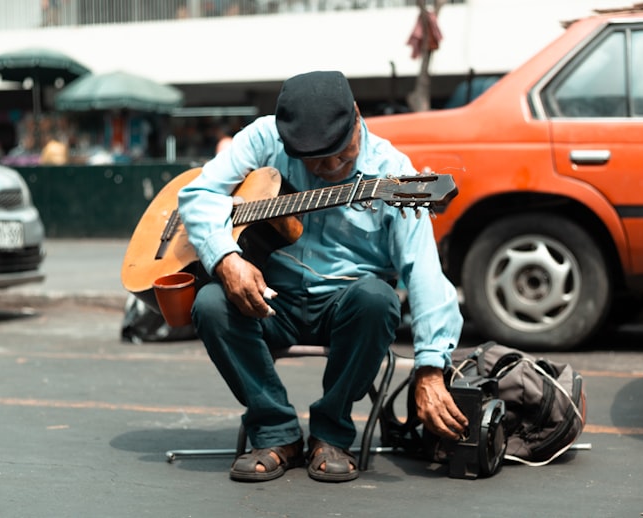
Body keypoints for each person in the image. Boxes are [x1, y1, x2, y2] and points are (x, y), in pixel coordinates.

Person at [177, 70, 466, 483]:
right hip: (270, 299)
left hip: (347, 309)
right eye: (314, 159)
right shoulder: (263, 139)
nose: (331, 166)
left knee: (377, 299)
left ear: (356, 115)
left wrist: (430, 368)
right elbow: (198, 195)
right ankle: (275, 432)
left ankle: (332, 433)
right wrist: (226, 257)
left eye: (343, 155)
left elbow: (423, 271)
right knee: (210, 302)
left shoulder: (393, 170)